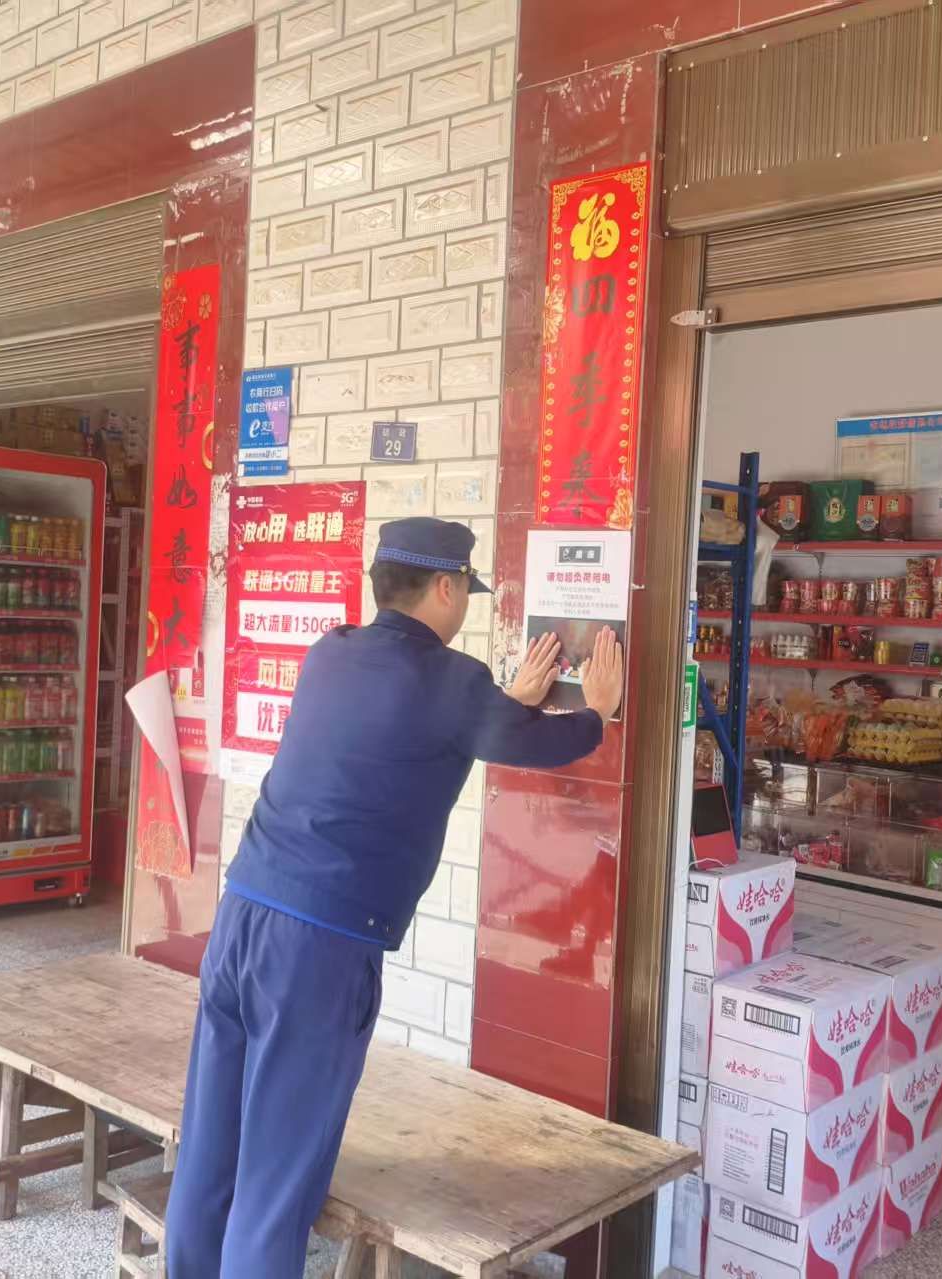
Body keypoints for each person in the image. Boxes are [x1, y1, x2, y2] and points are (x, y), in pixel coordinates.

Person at [165, 517, 625, 1277]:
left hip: (242, 914)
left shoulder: (332, 653)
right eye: (466, 590)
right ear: (445, 587)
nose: (466, 605)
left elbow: (418, 729)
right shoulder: (450, 682)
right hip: (316, 950)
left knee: (211, 1145)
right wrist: (597, 711)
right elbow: (536, 742)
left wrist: (505, 701)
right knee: (277, 1177)